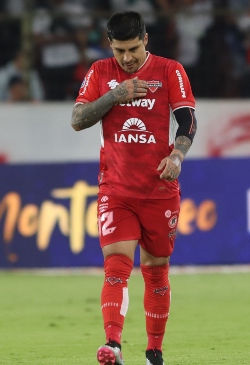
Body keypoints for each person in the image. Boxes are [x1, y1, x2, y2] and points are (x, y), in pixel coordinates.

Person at [70, 10, 197, 365]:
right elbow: (78, 120)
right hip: (117, 190)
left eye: (133, 50)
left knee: (156, 272)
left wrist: (177, 155)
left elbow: (187, 119)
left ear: (145, 41)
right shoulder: (100, 73)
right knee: (116, 266)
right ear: (110, 46)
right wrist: (115, 96)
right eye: (119, 51)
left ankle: (154, 352)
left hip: (159, 190)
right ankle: (112, 345)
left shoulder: (170, 70)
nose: (126, 58)